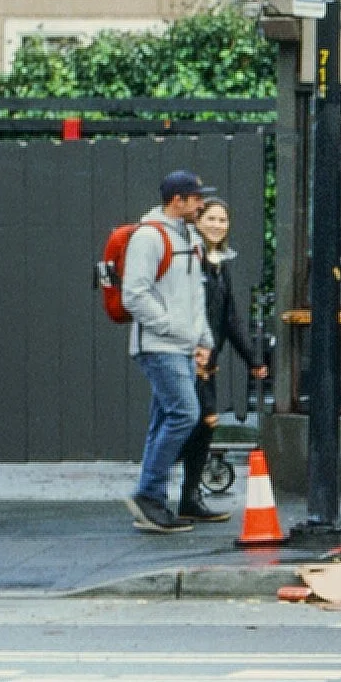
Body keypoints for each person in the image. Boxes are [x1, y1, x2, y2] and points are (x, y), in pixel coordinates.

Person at [122, 167, 214, 533]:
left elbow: (194, 293)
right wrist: (176, 328)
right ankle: (149, 494)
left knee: (165, 418)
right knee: (184, 414)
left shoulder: (188, 236)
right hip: (160, 345)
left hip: (178, 344)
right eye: (195, 198)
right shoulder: (149, 237)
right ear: (177, 201)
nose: (201, 204)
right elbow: (134, 293)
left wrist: (201, 337)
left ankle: (152, 500)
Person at [173, 193, 269, 525]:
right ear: (197, 222)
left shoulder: (219, 264)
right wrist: (194, 351)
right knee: (194, 422)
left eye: (223, 220)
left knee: (199, 425)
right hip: (186, 358)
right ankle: (163, 493)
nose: (217, 225)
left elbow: (231, 318)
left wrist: (252, 360)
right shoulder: (190, 262)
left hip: (207, 361)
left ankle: (187, 497)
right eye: (210, 219)